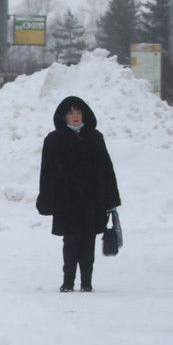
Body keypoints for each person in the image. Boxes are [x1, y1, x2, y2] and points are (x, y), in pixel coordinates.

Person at [36, 96, 121, 292]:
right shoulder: (54, 140)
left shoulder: (95, 137)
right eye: (71, 113)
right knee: (71, 241)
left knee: (88, 241)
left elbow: (107, 169)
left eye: (78, 112)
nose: (75, 116)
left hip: (93, 200)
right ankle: (68, 282)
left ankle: (86, 282)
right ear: (63, 116)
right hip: (66, 200)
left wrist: (111, 198)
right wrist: (47, 199)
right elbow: (46, 172)